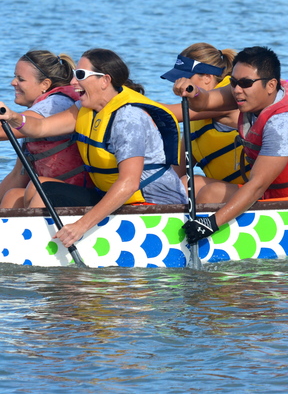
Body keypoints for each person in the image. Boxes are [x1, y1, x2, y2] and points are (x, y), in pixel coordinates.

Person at [0, 48, 186, 248]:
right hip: (112, 197)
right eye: (74, 75)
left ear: (105, 80)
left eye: (80, 75)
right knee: (40, 187)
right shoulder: (84, 108)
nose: (73, 82)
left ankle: (38, 251)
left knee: (43, 193)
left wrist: (80, 226)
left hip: (154, 206)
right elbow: (41, 127)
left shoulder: (128, 118)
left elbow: (129, 183)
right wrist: (13, 117)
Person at [174, 46, 288, 244]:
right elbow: (204, 102)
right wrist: (192, 91)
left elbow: (257, 185)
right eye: (233, 82)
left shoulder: (283, 123)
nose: (237, 90)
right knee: (197, 186)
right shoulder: (247, 95)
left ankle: (206, 242)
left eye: (245, 83)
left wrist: (211, 224)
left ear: (271, 85)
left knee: (210, 195)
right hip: (280, 194)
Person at [0, 50, 93, 208]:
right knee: (13, 195)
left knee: (39, 185)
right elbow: (18, 175)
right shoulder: (37, 111)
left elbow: (3, 131)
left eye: (21, 79)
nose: (13, 83)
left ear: (45, 84)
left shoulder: (56, 104)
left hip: (81, 193)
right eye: (15, 77)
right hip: (55, 189)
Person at [161, 43, 246, 184]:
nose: (177, 85)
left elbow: (166, 114)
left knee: (191, 183)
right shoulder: (194, 124)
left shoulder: (228, 97)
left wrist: (126, 99)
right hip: (227, 191)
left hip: (255, 191)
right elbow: (175, 174)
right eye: (176, 80)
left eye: (185, 79)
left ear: (207, 77)